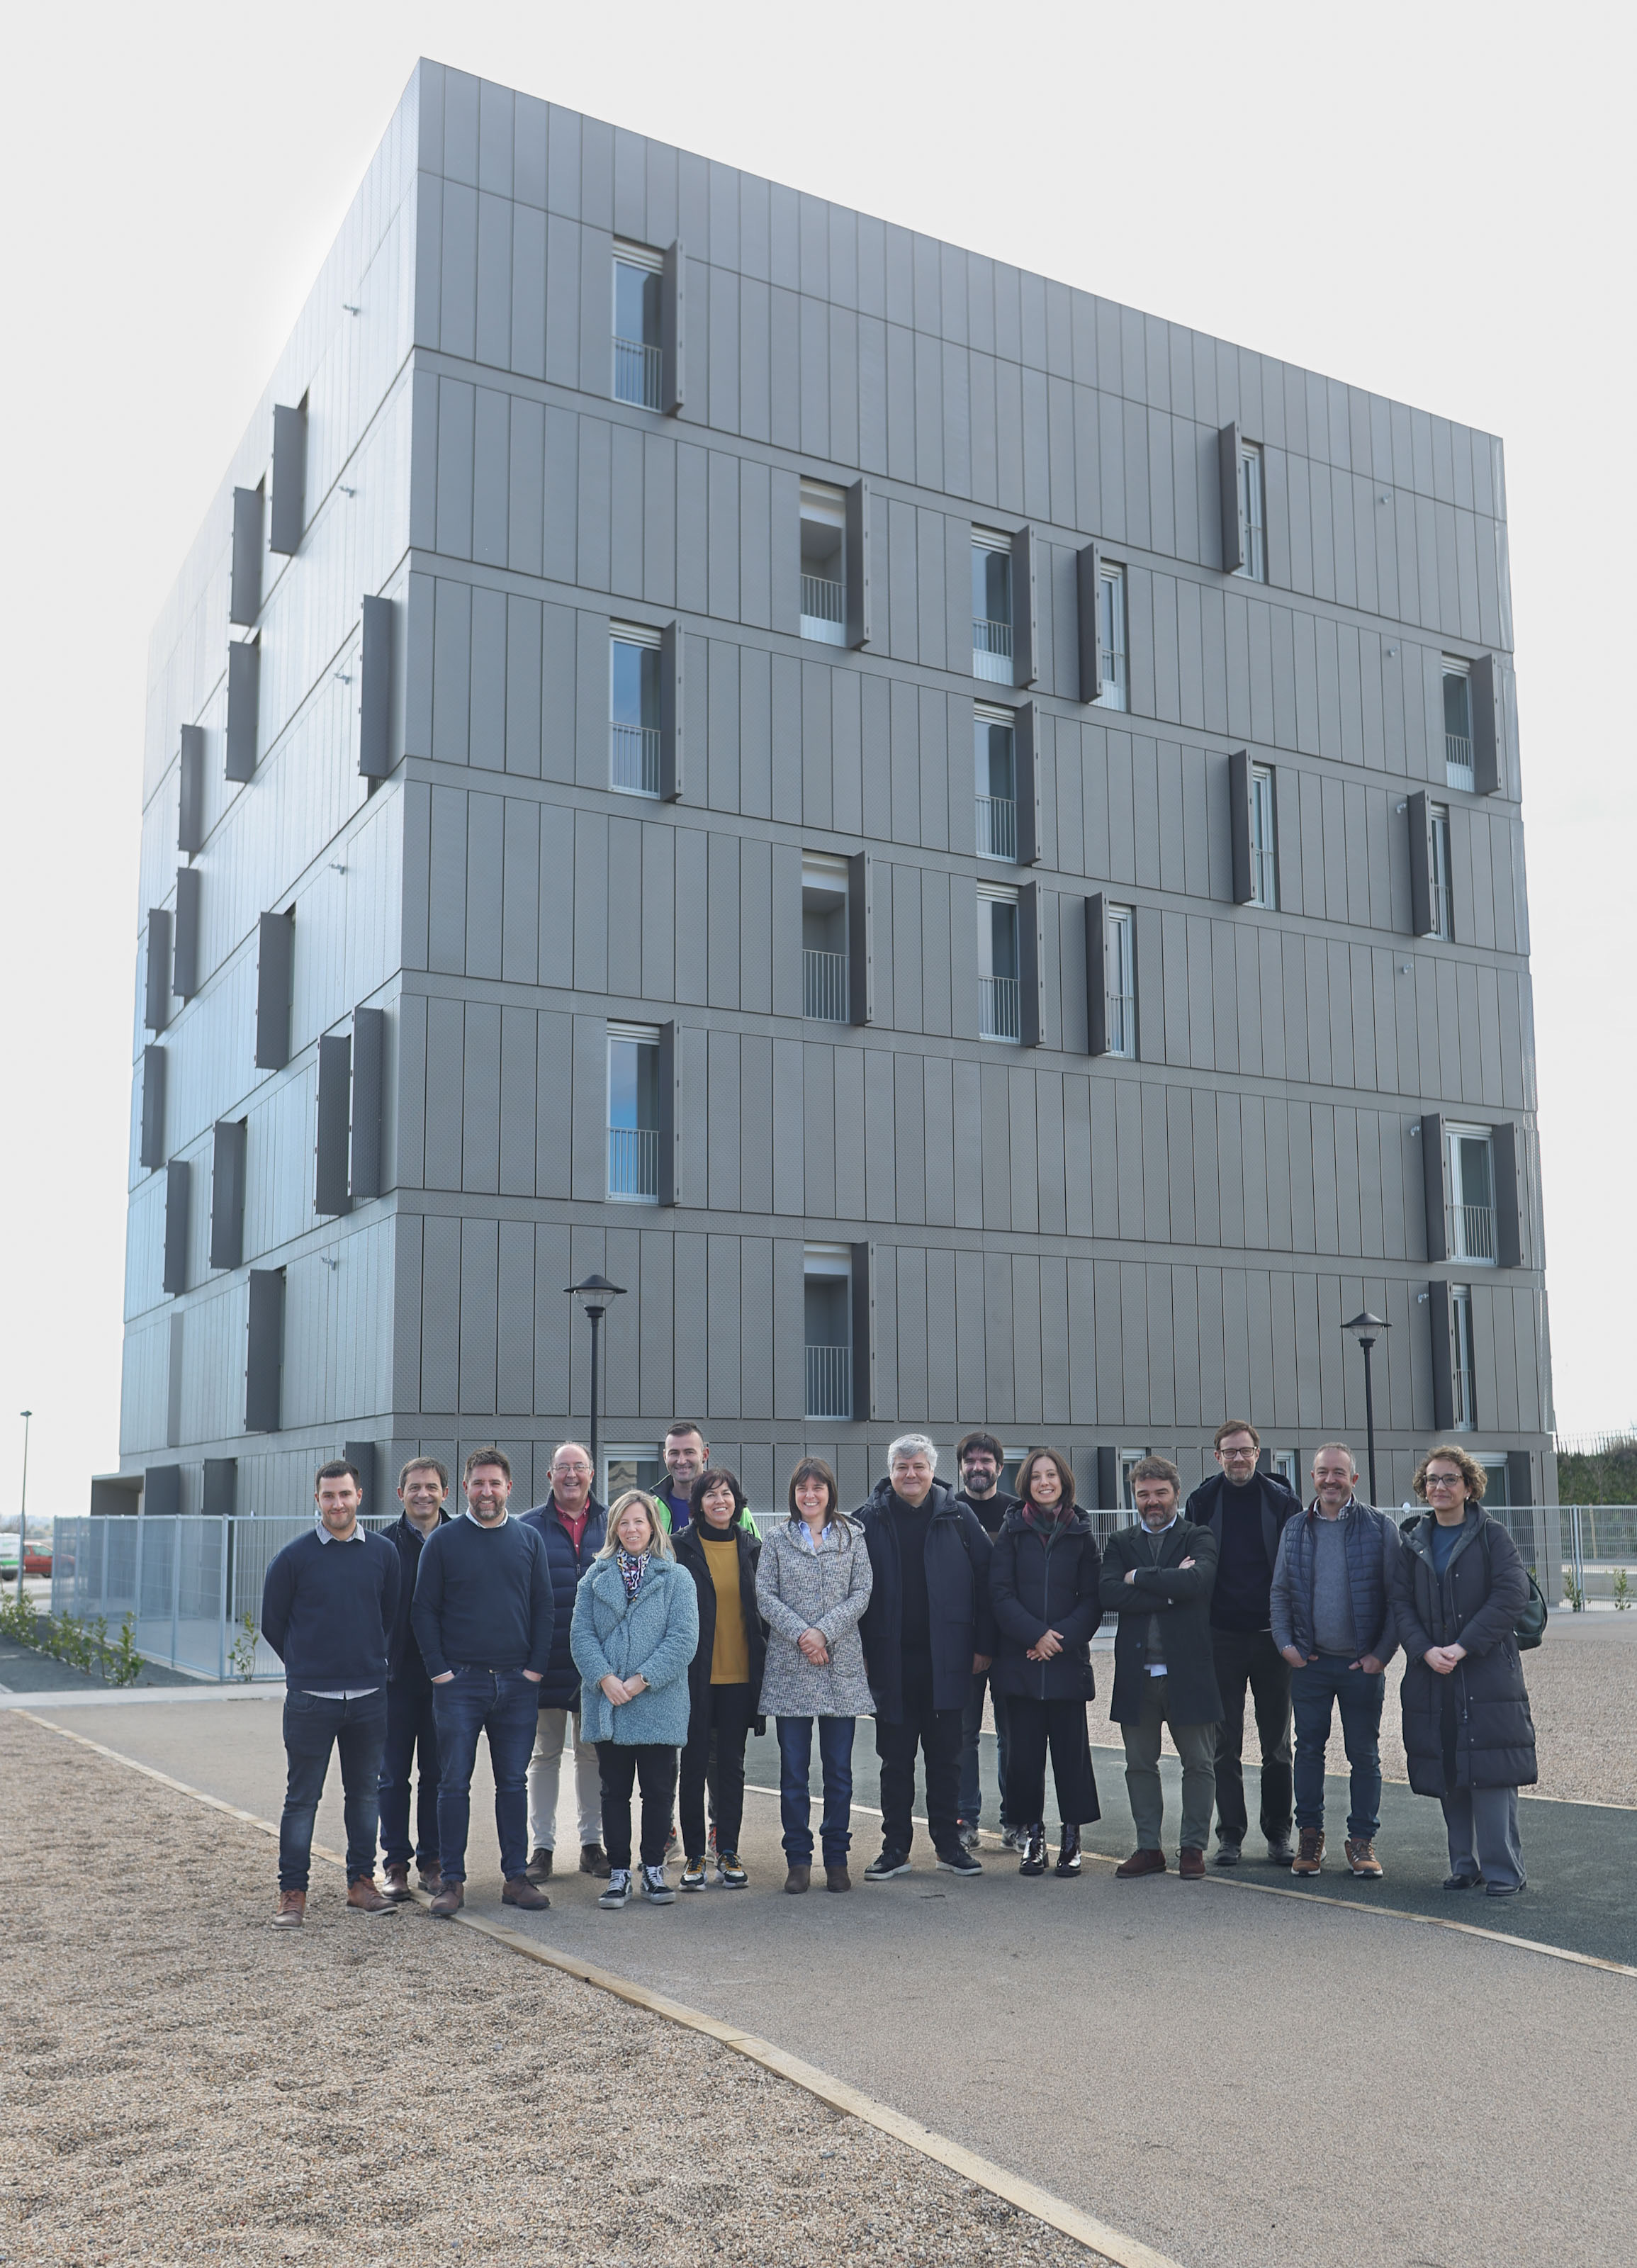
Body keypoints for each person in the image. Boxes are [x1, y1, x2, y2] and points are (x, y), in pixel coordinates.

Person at [410, 1447, 555, 1918]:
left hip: (517, 1684)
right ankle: (452, 1882)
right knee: (453, 1784)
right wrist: (441, 1673)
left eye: (495, 1483)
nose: (487, 1491)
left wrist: (534, 1670)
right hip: (461, 1685)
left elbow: (544, 1609)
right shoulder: (445, 1542)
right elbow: (423, 1611)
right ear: (466, 1488)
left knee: (513, 1782)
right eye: (478, 1483)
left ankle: (515, 1878)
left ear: (509, 1488)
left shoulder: (528, 1540)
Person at [261, 1459, 401, 1926]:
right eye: (328, 1495)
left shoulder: (383, 1554)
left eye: (345, 1494)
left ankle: (361, 1884)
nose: (337, 1503)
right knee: (302, 1799)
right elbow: (273, 1624)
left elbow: (389, 1617)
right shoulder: (294, 1558)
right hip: (310, 1701)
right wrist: (306, 1667)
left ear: (359, 1496)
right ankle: (292, 1892)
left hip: (368, 1699)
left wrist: (367, 1664)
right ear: (317, 1500)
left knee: (364, 1796)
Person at [1391, 1446, 1535, 1899]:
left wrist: (1462, 1645)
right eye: (1432, 1480)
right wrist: (1423, 1649)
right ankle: (1462, 1865)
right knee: (1448, 1765)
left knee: (1491, 1771)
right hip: (1433, 1671)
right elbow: (1399, 1603)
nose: (1440, 1487)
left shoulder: (1494, 1536)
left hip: (1487, 1671)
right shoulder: (1412, 1539)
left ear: (1469, 1487)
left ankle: (1503, 1872)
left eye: (1450, 1479)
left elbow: (1510, 1596)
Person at [855, 1434, 994, 1881]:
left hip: (948, 1662)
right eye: (902, 1467)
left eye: (918, 1466)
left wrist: (983, 1646)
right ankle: (895, 1847)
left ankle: (949, 1846)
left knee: (946, 1761)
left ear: (932, 1471)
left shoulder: (958, 1516)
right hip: (891, 1663)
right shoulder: (867, 1520)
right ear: (891, 1471)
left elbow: (987, 1583)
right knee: (895, 1762)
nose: (910, 1475)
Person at [1269, 1442, 1400, 1880]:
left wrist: (1381, 1655)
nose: (1330, 1479)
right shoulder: (1294, 1529)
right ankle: (1310, 1837)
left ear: (1354, 1480)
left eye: (1339, 1473)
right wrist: (1286, 1644)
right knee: (1308, 1751)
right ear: (1312, 1478)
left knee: (1363, 1754)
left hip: (1360, 1667)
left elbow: (1397, 1599)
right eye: (1323, 1472)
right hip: (1311, 1665)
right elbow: (1280, 1593)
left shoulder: (1381, 1528)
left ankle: (1361, 1840)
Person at [571, 1491, 699, 1911]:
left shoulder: (676, 1578)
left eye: (639, 1522)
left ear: (653, 1527)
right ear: (614, 1529)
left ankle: (655, 1870)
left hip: (657, 1702)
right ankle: (620, 1872)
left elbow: (683, 1640)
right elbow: (581, 1636)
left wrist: (641, 1681)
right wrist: (606, 1679)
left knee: (660, 1791)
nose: (631, 1530)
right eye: (624, 1523)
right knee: (613, 1791)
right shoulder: (593, 1579)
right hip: (609, 1703)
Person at [1185, 1420, 1300, 1868]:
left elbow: (1295, 1566)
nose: (1238, 1458)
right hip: (1221, 1639)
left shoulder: (1281, 1501)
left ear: (1258, 1454)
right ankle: (1229, 1835)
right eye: (1230, 1452)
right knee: (1223, 1744)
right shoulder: (1203, 1501)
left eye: (1246, 1451)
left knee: (1277, 1744)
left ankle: (1279, 1834)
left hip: (1273, 1639)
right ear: (1218, 1457)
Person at [1099, 1456, 1222, 1880]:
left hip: (1188, 1671)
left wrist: (1138, 1578)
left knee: (1200, 1764)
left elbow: (1196, 1583)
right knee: (1139, 1765)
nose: (1152, 1502)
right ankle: (1148, 1848)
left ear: (1176, 1493)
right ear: (1135, 1496)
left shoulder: (1198, 1535)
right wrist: (1167, 1588)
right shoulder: (1119, 1541)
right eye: (1143, 1494)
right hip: (1136, 1674)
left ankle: (1193, 1847)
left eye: (1160, 1493)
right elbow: (1108, 1593)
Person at [756, 1457, 874, 1893]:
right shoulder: (776, 1539)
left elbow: (862, 1592)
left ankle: (837, 1858)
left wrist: (823, 1632)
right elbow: (765, 1595)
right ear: (794, 1494)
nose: (810, 1495)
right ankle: (798, 1859)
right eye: (803, 1488)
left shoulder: (852, 1537)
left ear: (830, 1492)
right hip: (792, 1669)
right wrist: (804, 1635)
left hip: (839, 1667)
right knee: (793, 1772)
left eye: (818, 1488)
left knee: (839, 1770)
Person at [989, 1449, 1102, 1879]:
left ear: (1063, 1480)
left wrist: (1057, 1640)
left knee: (1072, 1758)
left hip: (1065, 1664)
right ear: (1026, 1484)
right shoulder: (1011, 1532)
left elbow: (1092, 1601)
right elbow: (1000, 1594)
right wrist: (1033, 1635)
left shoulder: (1082, 1533)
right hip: (1021, 1664)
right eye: (1036, 1476)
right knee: (1023, 1760)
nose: (1044, 1482)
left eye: (1051, 1474)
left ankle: (1071, 1839)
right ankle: (1033, 1838)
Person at [519, 1442, 609, 1882]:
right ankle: (542, 1848)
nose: (571, 1475)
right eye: (563, 1468)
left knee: (592, 1756)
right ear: (549, 1475)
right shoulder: (527, 1528)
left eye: (579, 1467)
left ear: (592, 1474)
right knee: (544, 1755)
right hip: (546, 1661)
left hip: (598, 1668)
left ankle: (593, 1845)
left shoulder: (612, 1523)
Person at [674, 1469, 765, 1890]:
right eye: (710, 1495)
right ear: (698, 1504)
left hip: (739, 1677)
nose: (719, 1502)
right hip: (693, 1677)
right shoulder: (678, 1549)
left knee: (731, 1767)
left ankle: (726, 1850)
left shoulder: (752, 1549)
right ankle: (694, 1856)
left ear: (736, 1500)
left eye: (726, 1494)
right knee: (692, 1767)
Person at [378, 1456, 451, 1900]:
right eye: (414, 1487)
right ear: (399, 1493)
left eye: (432, 1486)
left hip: (446, 1678)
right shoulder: (382, 1545)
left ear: (446, 1491)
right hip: (394, 1679)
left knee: (438, 1776)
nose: (423, 1494)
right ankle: (394, 1864)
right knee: (391, 1777)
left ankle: (433, 1861)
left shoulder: (461, 1540)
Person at [952, 1430, 1021, 1850]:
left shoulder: (1018, 1512)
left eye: (986, 1461)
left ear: (999, 1466)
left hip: (1013, 1645)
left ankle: (1016, 1821)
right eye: (970, 1461)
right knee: (963, 1736)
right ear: (960, 1466)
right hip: (964, 1645)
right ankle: (964, 1821)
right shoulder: (947, 1510)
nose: (978, 1467)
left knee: (1014, 1736)